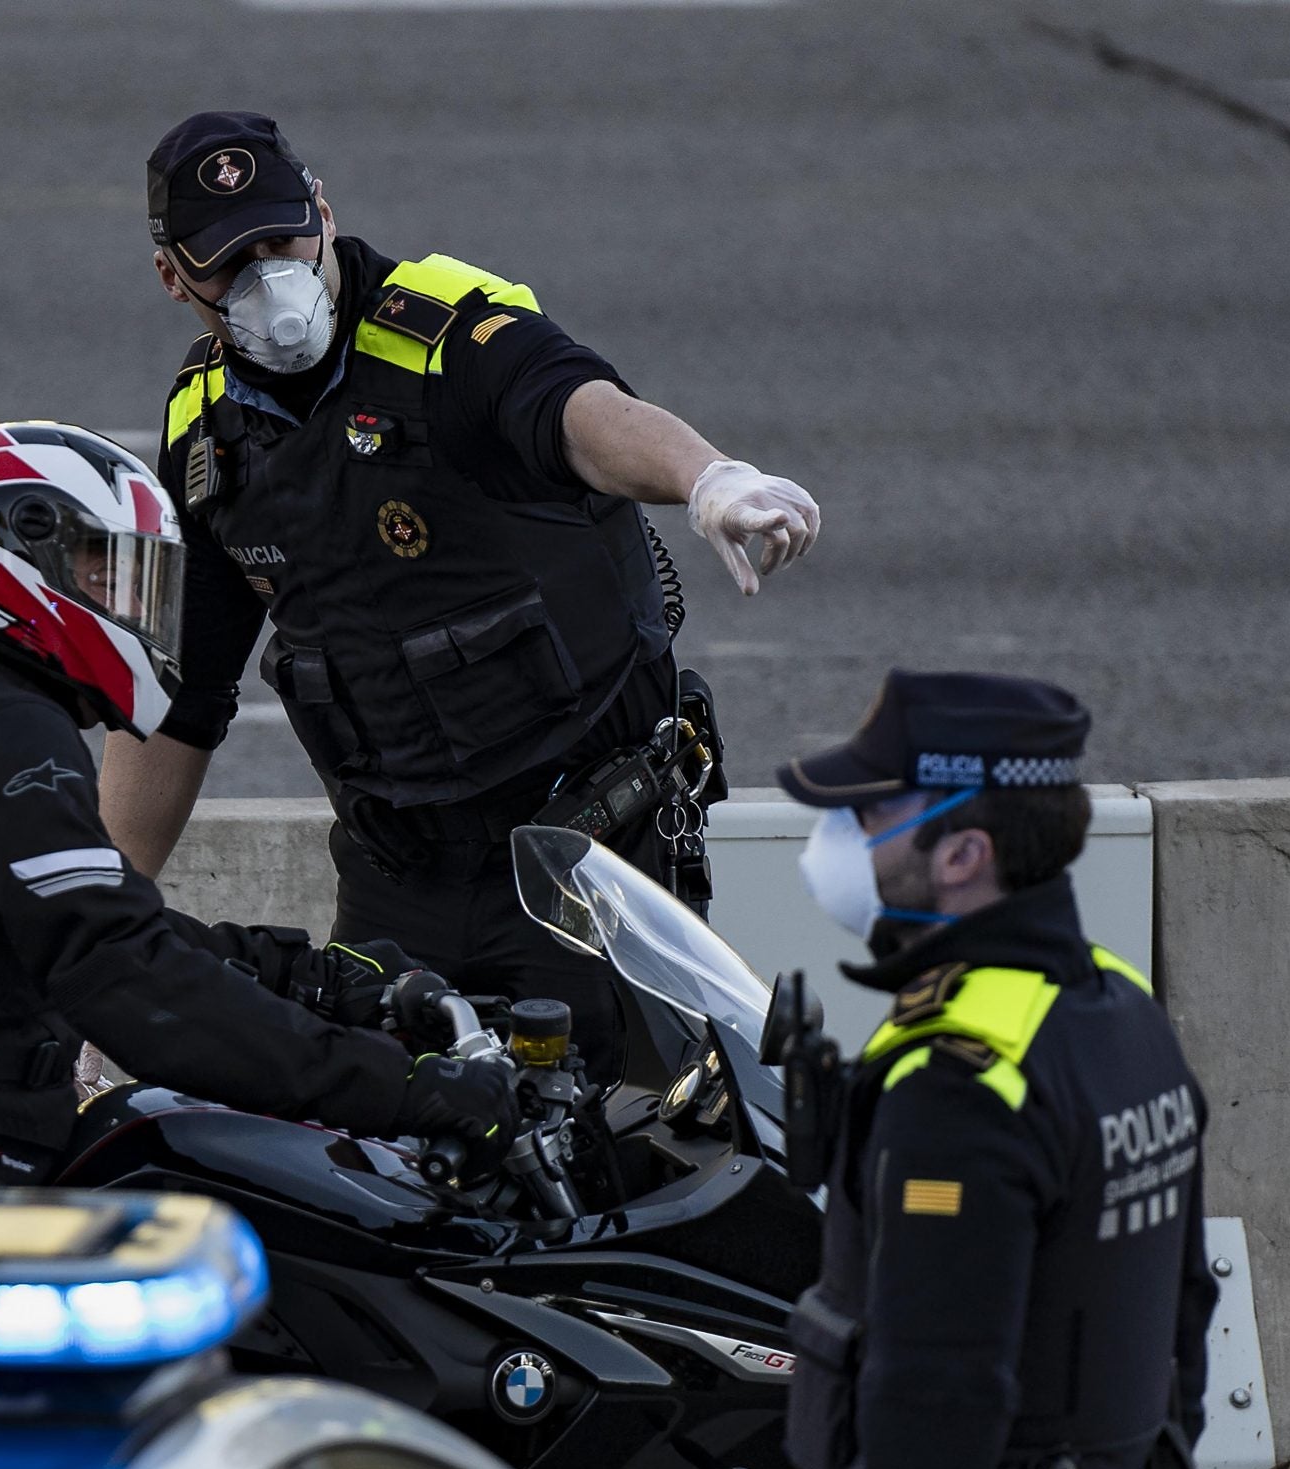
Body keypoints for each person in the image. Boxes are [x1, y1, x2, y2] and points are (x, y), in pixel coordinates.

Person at [101, 110, 822, 1087]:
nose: (269, 277)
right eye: (230, 261)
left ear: (321, 208)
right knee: (397, 1163)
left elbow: (580, 413)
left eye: (282, 237)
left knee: (631, 1149)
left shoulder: (445, 333)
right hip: (399, 881)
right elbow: (173, 705)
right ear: (173, 279)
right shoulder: (205, 435)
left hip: (583, 861)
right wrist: (97, 928)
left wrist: (705, 477)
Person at [0, 422, 519, 1185]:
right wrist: (410, 1090)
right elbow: (131, 984)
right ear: (8, 553)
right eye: (103, 573)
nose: (128, 606)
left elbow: (83, 932)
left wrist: (308, 977)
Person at [777, 672, 1217, 1469]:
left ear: (962, 850)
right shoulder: (1116, 1007)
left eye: (870, 811)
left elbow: (932, 1435)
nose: (843, 834)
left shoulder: (962, 1085)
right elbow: (1185, 1319)